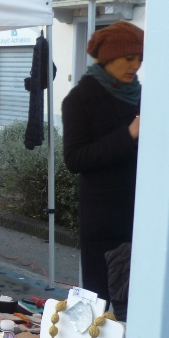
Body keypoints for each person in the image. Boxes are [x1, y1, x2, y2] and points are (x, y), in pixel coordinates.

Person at [61, 21, 143, 303]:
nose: (135, 65)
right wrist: (128, 135)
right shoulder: (79, 100)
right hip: (104, 221)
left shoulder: (144, 97)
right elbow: (74, 158)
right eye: (129, 58)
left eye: (139, 58)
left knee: (139, 301)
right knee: (105, 304)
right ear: (108, 58)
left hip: (143, 214)